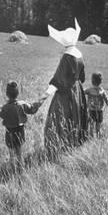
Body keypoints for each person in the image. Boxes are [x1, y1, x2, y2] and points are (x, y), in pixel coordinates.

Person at [41, 19, 88, 155]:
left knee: (59, 116)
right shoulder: (80, 54)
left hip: (66, 92)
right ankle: (72, 145)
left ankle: (57, 147)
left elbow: (57, 79)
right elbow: (82, 78)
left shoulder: (67, 56)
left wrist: (44, 96)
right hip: (77, 91)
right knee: (75, 116)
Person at [0, 81, 45, 166]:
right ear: (18, 93)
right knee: (19, 151)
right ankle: (20, 167)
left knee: (11, 152)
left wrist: (0, 108)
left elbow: (1, 114)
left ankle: (12, 167)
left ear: (7, 94)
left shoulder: (5, 107)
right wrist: (39, 102)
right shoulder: (22, 104)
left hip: (9, 132)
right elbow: (32, 109)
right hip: (20, 132)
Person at [84, 72, 108, 138]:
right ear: (100, 81)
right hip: (99, 111)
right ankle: (97, 139)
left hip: (91, 111)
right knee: (98, 128)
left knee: (91, 126)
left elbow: (81, 92)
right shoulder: (102, 91)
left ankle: (90, 139)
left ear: (92, 80)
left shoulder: (89, 90)